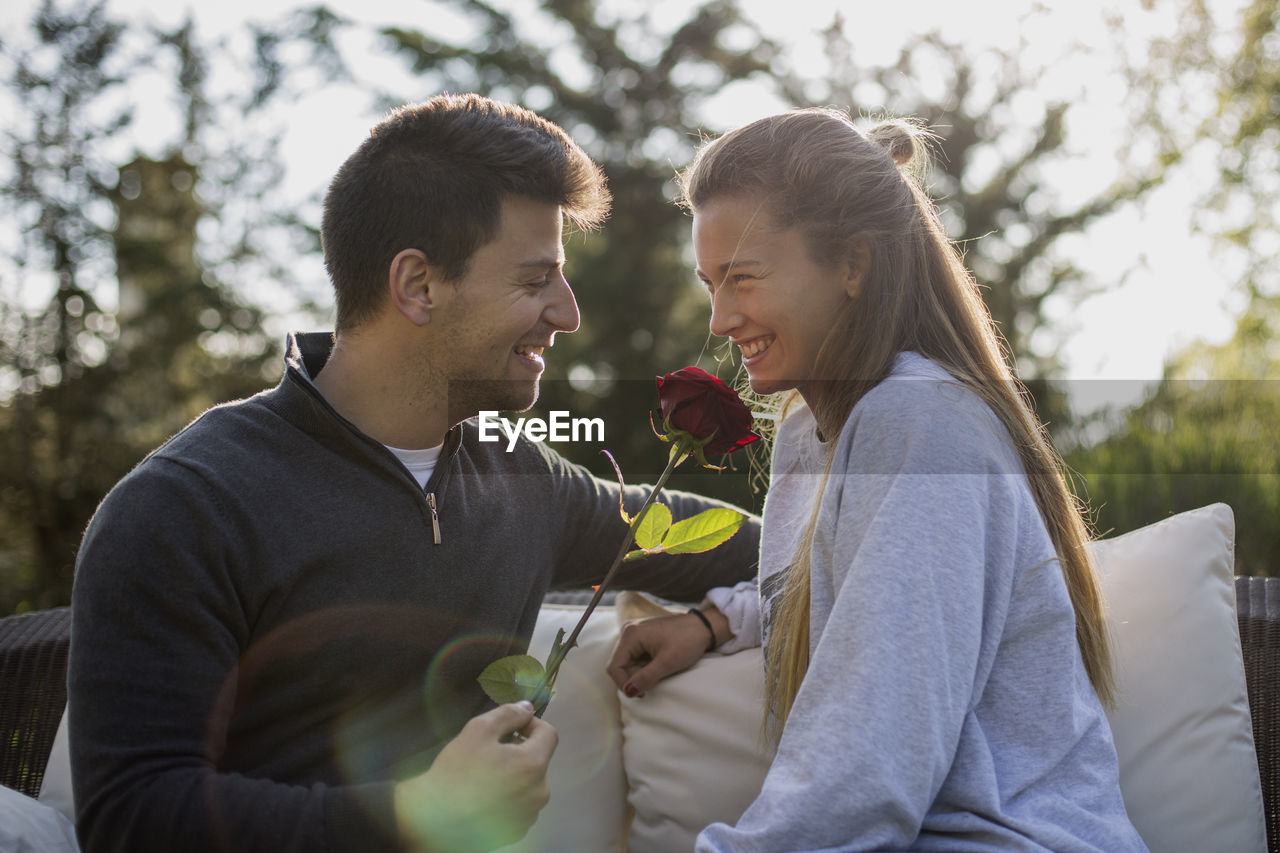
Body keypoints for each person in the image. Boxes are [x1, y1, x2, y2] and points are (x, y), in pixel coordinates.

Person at [68, 93, 759, 853]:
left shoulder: (525, 481)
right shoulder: (186, 507)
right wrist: (406, 814)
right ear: (418, 286)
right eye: (535, 281)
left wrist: (712, 620)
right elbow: (130, 816)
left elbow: (768, 548)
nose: (568, 313)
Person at [606, 107, 1150, 852]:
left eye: (744, 279)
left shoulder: (919, 420)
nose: (720, 318)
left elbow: (868, 763)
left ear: (853, 264)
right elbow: (856, 585)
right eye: (710, 284)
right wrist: (717, 621)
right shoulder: (814, 433)